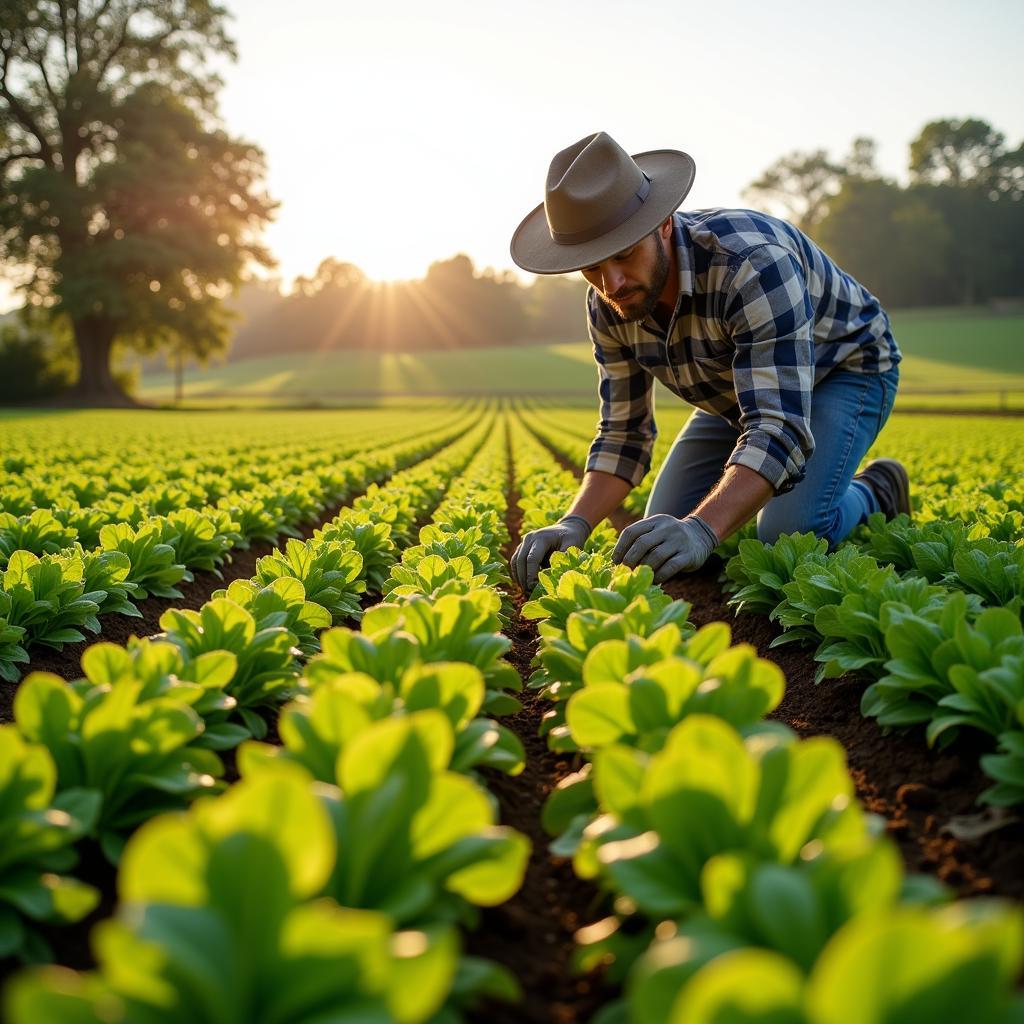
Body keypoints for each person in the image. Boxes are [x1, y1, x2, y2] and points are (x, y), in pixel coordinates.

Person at [508, 131, 908, 593]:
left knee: (787, 535)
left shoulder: (751, 263)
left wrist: (703, 529)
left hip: (844, 367)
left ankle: (875, 490)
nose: (611, 282)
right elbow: (624, 432)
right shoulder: (608, 303)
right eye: (592, 265)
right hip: (740, 388)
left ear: (662, 225)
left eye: (623, 255)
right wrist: (574, 523)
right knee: (664, 531)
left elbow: (780, 428)